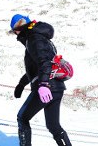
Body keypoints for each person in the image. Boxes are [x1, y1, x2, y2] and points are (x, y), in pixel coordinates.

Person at [10, 14, 72, 146]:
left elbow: (44, 64)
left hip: (46, 88)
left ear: (19, 28)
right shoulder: (40, 37)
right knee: (53, 126)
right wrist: (22, 84)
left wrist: (43, 84)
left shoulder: (34, 39)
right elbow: (38, 67)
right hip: (56, 88)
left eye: (14, 31)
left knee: (22, 118)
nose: (15, 35)